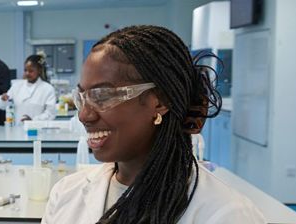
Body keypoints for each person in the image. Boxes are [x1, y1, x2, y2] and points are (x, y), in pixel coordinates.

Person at [41, 25, 264, 223]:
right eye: (81, 97)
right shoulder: (66, 193)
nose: (85, 115)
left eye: (102, 95)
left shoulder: (226, 214)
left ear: (160, 101)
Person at [0, 54, 57, 122]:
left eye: (31, 71)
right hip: (18, 129)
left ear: (39, 71)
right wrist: (3, 99)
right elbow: (3, 106)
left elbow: (50, 114)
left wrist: (33, 121)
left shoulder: (48, 89)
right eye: (25, 70)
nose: (27, 73)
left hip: (38, 129)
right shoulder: (16, 86)